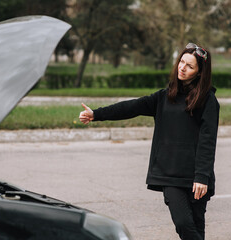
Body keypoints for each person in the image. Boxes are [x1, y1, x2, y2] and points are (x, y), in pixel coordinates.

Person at [79, 43, 220, 240]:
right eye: (181, 62)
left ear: (199, 73)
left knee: (196, 226)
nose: (182, 67)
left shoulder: (207, 101)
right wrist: (96, 114)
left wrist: (202, 176)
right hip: (170, 175)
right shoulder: (165, 97)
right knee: (183, 224)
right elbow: (132, 107)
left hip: (197, 177)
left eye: (190, 66)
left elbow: (208, 140)